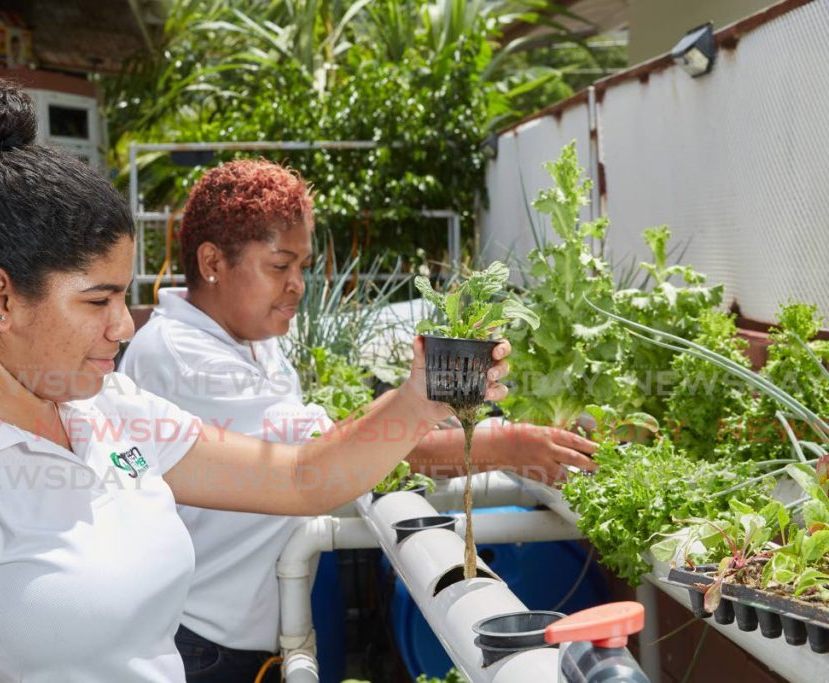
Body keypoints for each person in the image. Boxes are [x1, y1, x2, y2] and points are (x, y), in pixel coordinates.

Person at [0, 78, 512, 683]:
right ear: (0, 300)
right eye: (98, 302)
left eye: (124, 297)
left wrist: (422, 396)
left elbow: (301, 476)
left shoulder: (106, 409)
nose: (124, 327)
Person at [119, 159, 599, 681]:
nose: (297, 285)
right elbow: (324, 463)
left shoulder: (249, 341)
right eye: (280, 266)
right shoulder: (186, 356)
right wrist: (502, 443)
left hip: (251, 629)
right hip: (209, 646)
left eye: (302, 266)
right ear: (212, 261)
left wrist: (433, 408)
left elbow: (342, 444)